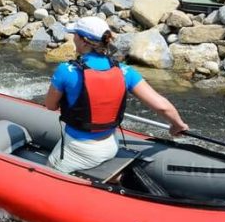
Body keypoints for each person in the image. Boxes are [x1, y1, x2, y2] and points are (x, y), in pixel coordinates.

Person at [44, 16, 188, 174]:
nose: (73, 38)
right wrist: (178, 125)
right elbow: (162, 106)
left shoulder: (66, 70)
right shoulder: (124, 70)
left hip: (79, 150)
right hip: (111, 144)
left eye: (75, 35)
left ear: (84, 41)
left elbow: (50, 106)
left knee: (47, 174)